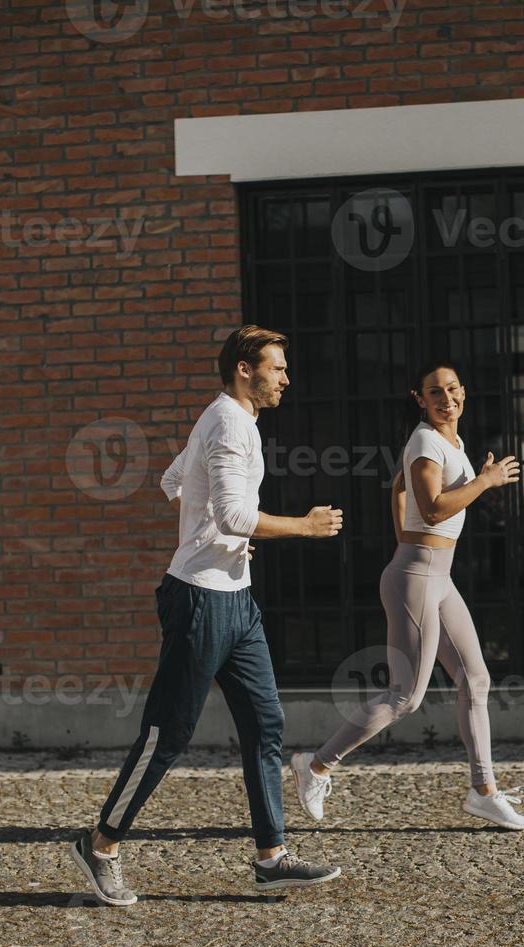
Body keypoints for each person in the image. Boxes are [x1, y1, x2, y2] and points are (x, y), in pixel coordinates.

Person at [69, 324, 345, 904]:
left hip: (237, 602)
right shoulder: (227, 422)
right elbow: (231, 516)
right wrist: (302, 526)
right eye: (277, 367)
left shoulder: (231, 421)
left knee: (265, 724)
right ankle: (101, 844)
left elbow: (175, 481)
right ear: (245, 369)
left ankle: (271, 856)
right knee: (167, 737)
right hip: (200, 599)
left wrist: (208, 523)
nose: (286, 377)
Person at [290, 361, 524, 831]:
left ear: (464, 392)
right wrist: (485, 482)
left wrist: (409, 532)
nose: (446, 398)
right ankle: (316, 766)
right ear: (419, 399)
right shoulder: (425, 440)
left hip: (437, 576)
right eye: (434, 392)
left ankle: (484, 792)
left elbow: (400, 492)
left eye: (452, 389)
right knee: (406, 696)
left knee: (475, 679)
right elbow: (434, 507)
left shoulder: (452, 443)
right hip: (415, 577)